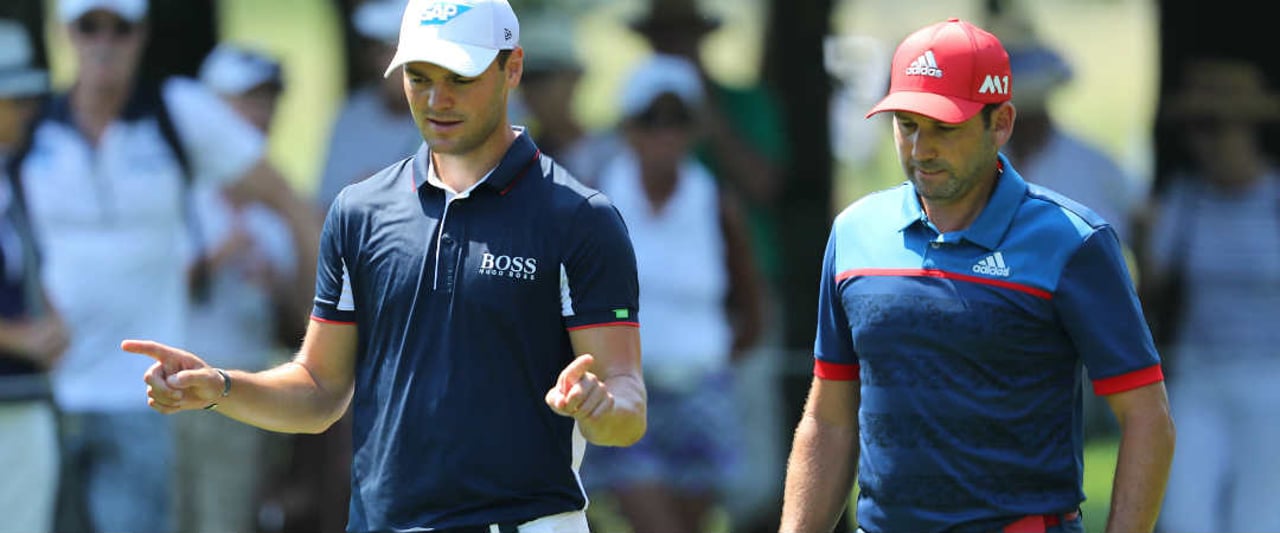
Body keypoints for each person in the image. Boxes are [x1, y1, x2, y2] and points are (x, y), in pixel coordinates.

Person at [124, 1, 647, 532]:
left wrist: (602, 407)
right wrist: (220, 387)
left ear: (511, 68)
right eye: (418, 79)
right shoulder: (360, 212)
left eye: (459, 79)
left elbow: (626, 397)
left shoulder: (580, 219)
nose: (437, 100)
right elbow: (319, 389)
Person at [779, 18, 1175, 533]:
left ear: (1001, 122)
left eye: (945, 128)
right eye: (907, 124)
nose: (921, 149)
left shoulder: (1072, 242)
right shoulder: (855, 233)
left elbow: (1148, 420)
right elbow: (829, 418)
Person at [14, 1, 315, 531]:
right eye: (89, 26)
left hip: (147, 397)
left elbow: (288, 202)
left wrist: (326, 339)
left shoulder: (178, 110)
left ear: (142, 33)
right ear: (65, 33)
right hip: (48, 393)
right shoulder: (32, 121)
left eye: (121, 27)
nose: (104, 42)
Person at [583, 53, 765, 533]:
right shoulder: (596, 200)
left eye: (677, 120)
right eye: (651, 120)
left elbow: (751, 298)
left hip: (701, 391)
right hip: (622, 390)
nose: (664, 134)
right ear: (628, 127)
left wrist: (721, 357)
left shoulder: (717, 203)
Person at [172, 42, 320, 533]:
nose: (262, 113)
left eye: (269, 100)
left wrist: (280, 284)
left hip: (247, 388)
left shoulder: (279, 203)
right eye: (247, 100)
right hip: (171, 391)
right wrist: (219, 254)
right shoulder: (176, 190)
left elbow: (307, 319)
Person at [1140, 57, 1280, 533]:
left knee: (1258, 519)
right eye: (1197, 129)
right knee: (1184, 516)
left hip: (1270, 381)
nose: (1206, 142)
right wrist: (1144, 237)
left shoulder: (1275, 202)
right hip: (1198, 379)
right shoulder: (1186, 200)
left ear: (1247, 130)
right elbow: (1152, 288)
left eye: (1216, 127)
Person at [0, 19, 68, 533]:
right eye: (13, 98)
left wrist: (50, 319)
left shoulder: (12, 175)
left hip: (23, 399)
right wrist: (17, 337)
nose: (27, 110)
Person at [312, 0, 424, 212]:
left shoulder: (458, 109)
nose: (390, 62)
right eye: (382, 50)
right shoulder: (354, 114)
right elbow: (324, 207)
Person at [514, 12, 622, 185]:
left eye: (543, 79)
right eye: (525, 81)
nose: (533, 92)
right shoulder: (517, 161)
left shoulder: (614, 154)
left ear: (574, 78)